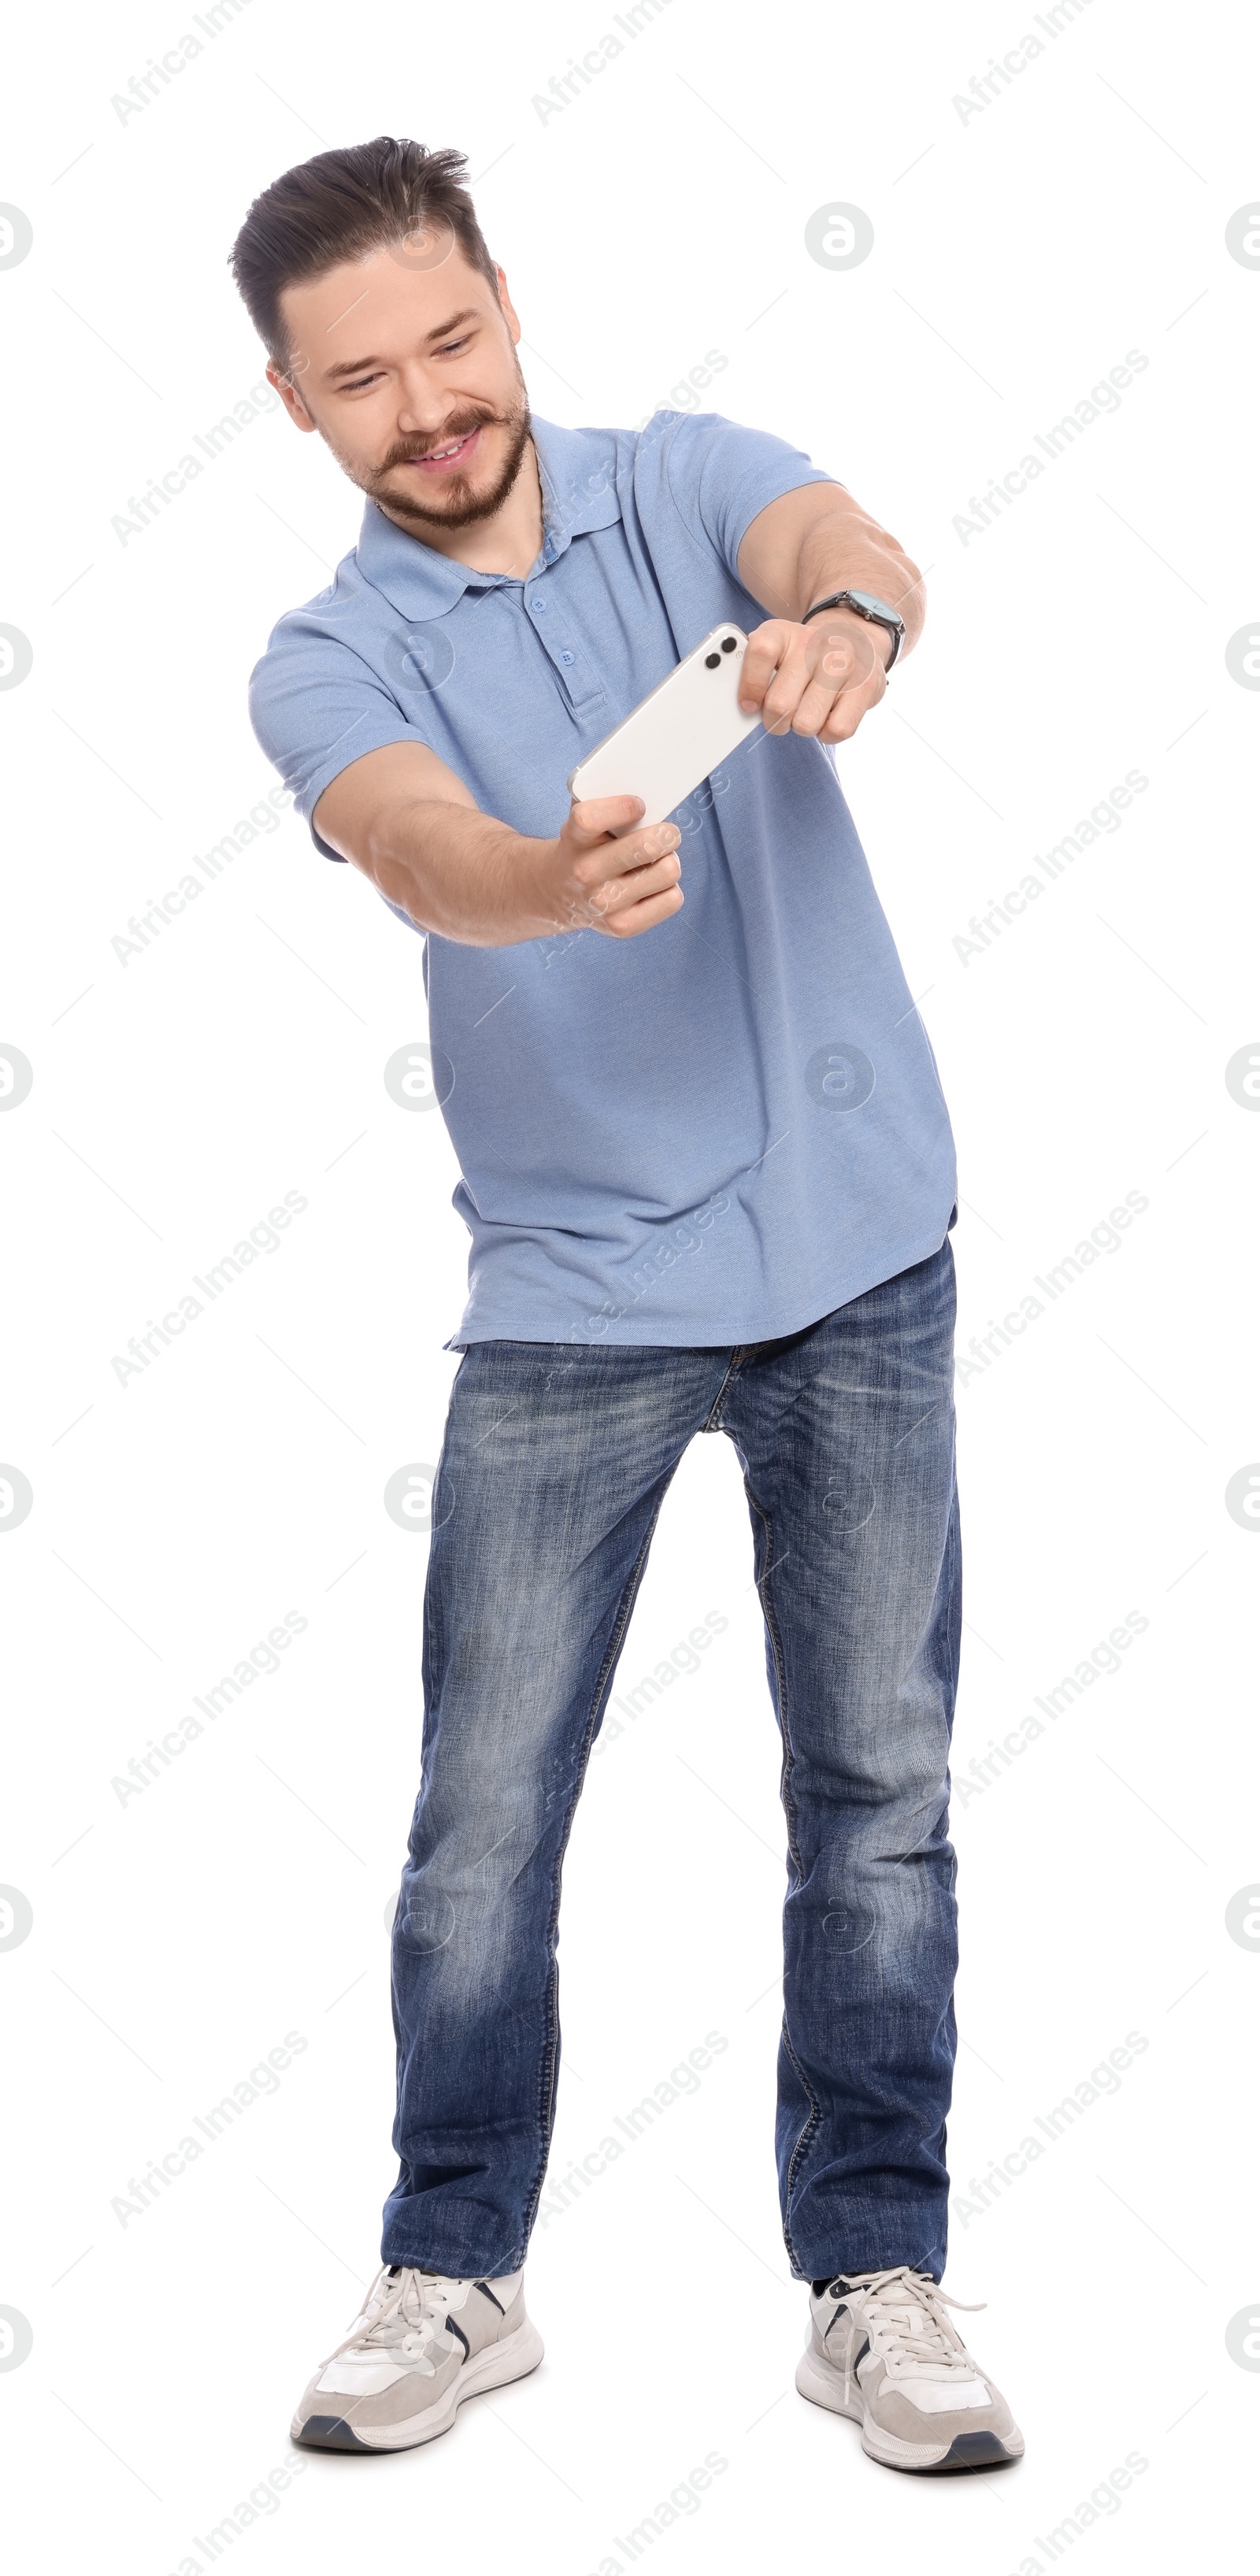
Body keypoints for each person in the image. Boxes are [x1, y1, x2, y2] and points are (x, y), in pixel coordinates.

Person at [233, 135, 1023, 2475]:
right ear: (298, 408)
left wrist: (849, 627)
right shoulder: (324, 656)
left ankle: (874, 2280)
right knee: (484, 1814)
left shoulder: (681, 480)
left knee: (877, 1794)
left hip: (861, 1251)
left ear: (501, 304)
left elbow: (845, 542)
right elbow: (416, 848)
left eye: (452, 342)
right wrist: (544, 877)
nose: (430, 405)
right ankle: (453, 2269)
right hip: (570, 1290)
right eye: (362, 380)